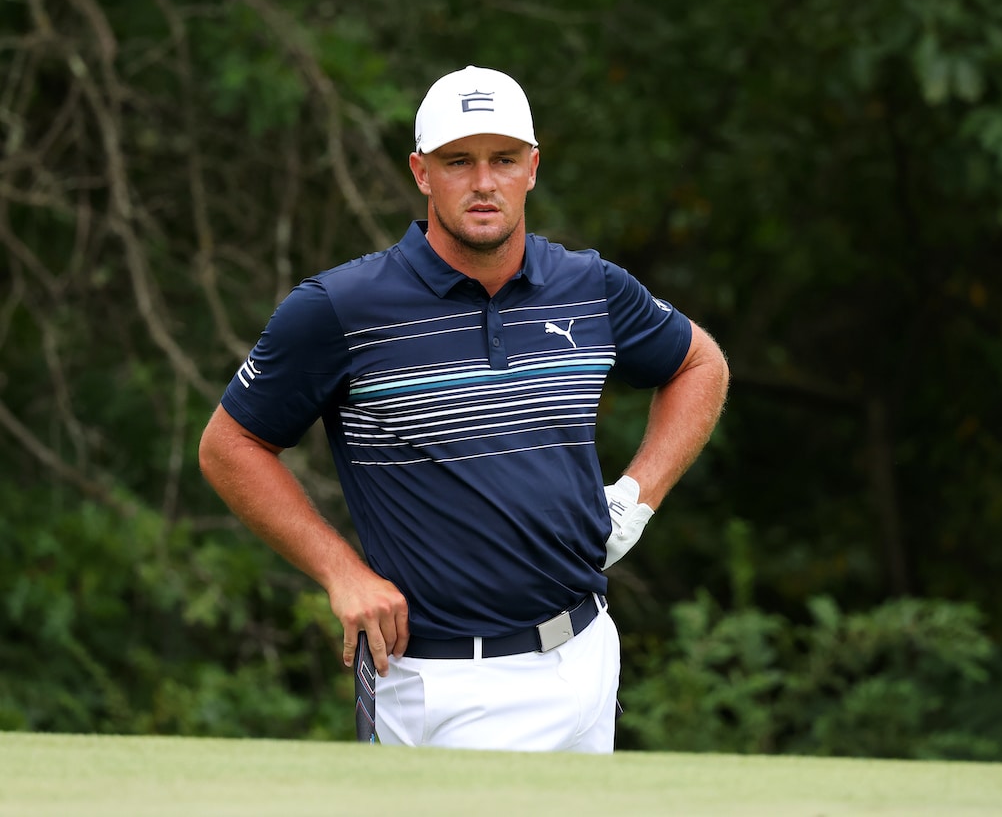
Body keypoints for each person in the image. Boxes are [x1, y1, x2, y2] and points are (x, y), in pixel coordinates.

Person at [198, 65, 729, 753]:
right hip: (442, 682)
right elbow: (229, 444)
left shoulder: (588, 285)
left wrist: (637, 495)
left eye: (503, 160)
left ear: (532, 168)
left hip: (587, 651)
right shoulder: (340, 308)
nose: (484, 182)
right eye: (459, 162)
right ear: (422, 173)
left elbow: (699, 363)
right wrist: (340, 570)